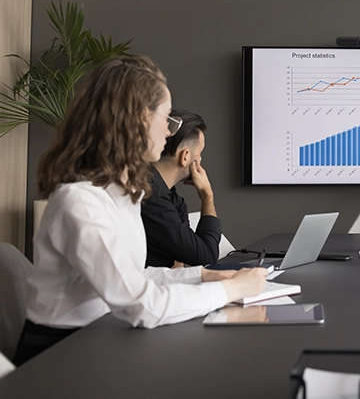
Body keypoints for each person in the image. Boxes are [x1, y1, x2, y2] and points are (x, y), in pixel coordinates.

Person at [14, 57, 267, 365]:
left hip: (98, 338)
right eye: (167, 118)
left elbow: (134, 278)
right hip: (60, 358)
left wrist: (202, 276)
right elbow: (141, 304)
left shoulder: (121, 193)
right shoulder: (80, 203)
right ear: (137, 120)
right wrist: (231, 289)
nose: (169, 131)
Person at [142, 110, 223, 268]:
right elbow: (206, 257)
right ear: (185, 157)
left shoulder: (172, 198)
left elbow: (187, 252)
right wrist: (207, 196)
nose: (200, 160)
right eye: (199, 153)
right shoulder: (152, 197)